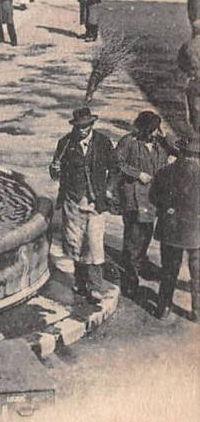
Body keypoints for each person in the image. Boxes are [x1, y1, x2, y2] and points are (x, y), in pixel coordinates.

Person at [50, 106, 118, 303]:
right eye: (79, 126)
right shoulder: (65, 143)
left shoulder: (103, 142)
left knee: (95, 244)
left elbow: (115, 170)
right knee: (76, 243)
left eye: (86, 126)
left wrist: (109, 190)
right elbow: (55, 173)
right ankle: (81, 283)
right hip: (72, 201)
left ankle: (96, 287)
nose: (82, 129)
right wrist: (54, 169)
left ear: (92, 124)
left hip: (96, 202)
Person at [115, 111, 169, 297]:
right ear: (142, 128)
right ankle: (130, 277)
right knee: (133, 238)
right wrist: (137, 174)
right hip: (134, 197)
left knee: (146, 234)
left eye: (156, 130)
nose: (154, 134)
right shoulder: (128, 142)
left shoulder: (161, 144)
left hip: (152, 197)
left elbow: (179, 149)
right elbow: (117, 162)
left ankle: (141, 264)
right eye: (151, 130)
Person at [150, 129, 200, 321]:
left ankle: (163, 307)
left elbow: (153, 197)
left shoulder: (165, 172)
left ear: (181, 151)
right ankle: (197, 313)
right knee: (197, 274)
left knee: (169, 270)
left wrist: (168, 209)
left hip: (170, 229)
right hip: (196, 231)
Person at [176, 21, 200, 129]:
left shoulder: (187, 45)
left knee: (194, 106)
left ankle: (196, 128)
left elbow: (180, 63)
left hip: (193, 78)